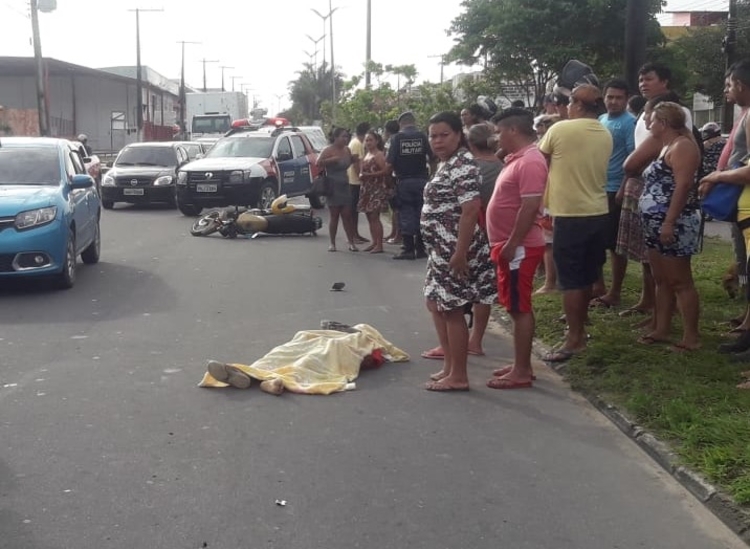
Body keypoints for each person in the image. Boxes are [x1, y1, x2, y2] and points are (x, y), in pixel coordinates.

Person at [537, 84, 613, 362]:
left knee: (569, 280)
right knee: (585, 277)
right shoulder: (604, 131)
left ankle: (574, 338)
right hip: (597, 211)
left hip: (570, 214)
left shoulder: (559, 130)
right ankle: (579, 332)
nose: (566, 107)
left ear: (578, 104)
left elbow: (538, 160)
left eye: (568, 102)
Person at [421, 111, 495, 391]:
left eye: (444, 135)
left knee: (452, 310)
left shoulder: (462, 164)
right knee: (435, 304)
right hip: (439, 250)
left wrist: (460, 252)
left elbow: (470, 209)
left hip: (454, 249)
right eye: (433, 135)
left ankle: (459, 376)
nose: (437, 141)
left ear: (458, 135)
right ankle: (450, 367)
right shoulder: (446, 163)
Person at [485, 108, 548, 389]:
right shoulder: (518, 159)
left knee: (519, 307)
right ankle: (520, 363)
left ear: (512, 130)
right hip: (509, 246)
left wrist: (512, 243)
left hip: (518, 248)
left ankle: (522, 370)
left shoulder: (531, 161)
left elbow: (530, 206)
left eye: (499, 131)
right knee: (514, 305)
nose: (495, 137)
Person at [635, 101, 702, 351]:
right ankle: (661, 328)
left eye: (651, 120)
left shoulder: (683, 146)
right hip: (656, 222)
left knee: (680, 281)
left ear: (662, 123)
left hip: (675, 223)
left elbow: (683, 186)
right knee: (661, 278)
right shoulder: (666, 146)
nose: (647, 123)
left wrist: (669, 222)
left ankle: (691, 337)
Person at [590, 78, 636, 309]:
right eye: (610, 97)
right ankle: (597, 285)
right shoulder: (601, 119)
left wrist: (623, 187)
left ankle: (615, 291)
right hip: (596, 188)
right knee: (595, 240)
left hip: (615, 189)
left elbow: (633, 158)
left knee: (615, 245)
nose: (614, 102)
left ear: (626, 99)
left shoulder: (630, 123)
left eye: (619, 98)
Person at [386, 111, 435, 260]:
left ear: (401, 124)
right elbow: (433, 158)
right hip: (422, 180)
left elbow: (389, 164)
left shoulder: (396, 139)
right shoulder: (422, 136)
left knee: (406, 213)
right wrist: (432, 176)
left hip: (404, 181)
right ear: (414, 122)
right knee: (421, 213)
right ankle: (420, 249)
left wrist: (389, 184)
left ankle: (408, 249)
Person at [316, 127, 359, 252]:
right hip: (332, 185)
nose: (345, 139)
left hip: (345, 184)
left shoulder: (347, 150)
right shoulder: (328, 150)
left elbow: (347, 163)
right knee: (334, 215)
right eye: (343, 136)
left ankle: (351, 242)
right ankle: (332, 243)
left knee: (347, 215)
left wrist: (353, 160)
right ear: (335, 138)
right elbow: (318, 163)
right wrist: (331, 160)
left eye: (347, 137)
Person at [358, 130, 389, 253]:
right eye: (366, 140)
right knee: (369, 216)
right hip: (367, 188)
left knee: (375, 216)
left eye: (371, 140)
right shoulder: (366, 154)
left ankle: (379, 245)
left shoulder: (379, 155)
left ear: (376, 141)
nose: (368, 142)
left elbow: (386, 171)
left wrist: (370, 175)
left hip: (376, 188)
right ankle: (374, 242)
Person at [348, 122, 371, 244]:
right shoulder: (357, 144)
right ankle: (353, 235)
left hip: (354, 180)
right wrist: (361, 178)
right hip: (354, 181)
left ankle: (355, 234)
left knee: (355, 209)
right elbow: (356, 164)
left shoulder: (356, 142)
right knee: (353, 210)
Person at [383, 119, 401, 244]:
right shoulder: (399, 139)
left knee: (396, 208)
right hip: (397, 175)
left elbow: (388, 162)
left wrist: (387, 181)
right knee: (395, 208)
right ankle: (395, 233)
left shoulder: (391, 141)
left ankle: (397, 234)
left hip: (393, 177)